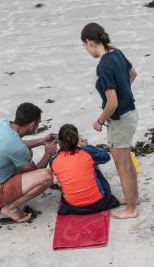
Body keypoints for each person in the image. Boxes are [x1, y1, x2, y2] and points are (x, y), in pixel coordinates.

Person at [81, 22, 139, 219]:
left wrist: (99, 121)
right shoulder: (116, 52)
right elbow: (133, 74)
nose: (86, 50)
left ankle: (131, 209)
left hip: (120, 120)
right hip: (131, 113)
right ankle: (133, 198)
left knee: (122, 167)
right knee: (127, 161)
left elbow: (112, 103)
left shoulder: (103, 66)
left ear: (89, 42)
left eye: (84, 46)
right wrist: (124, 92)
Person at [0, 103, 56, 222]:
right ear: (33, 125)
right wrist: (48, 153)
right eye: (38, 123)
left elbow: (14, 145)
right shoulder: (17, 147)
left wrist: (42, 141)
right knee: (46, 176)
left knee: (26, 153)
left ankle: (5, 200)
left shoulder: (1, 123)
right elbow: (36, 172)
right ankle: (10, 208)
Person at [48, 124, 120, 215]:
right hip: (99, 203)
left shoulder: (53, 160)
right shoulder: (86, 151)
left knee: (67, 174)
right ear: (77, 140)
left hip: (74, 207)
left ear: (60, 142)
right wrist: (88, 146)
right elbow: (106, 157)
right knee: (92, 163)